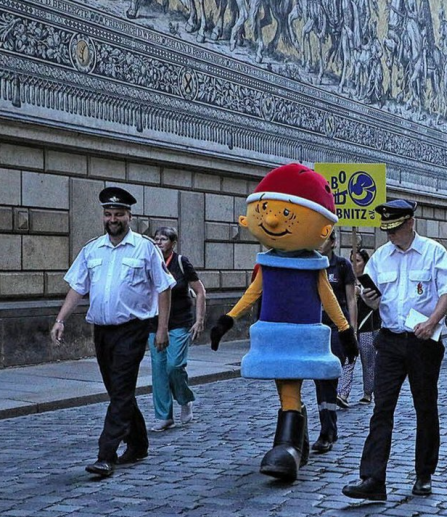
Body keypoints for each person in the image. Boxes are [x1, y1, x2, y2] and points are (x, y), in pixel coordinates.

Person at [209, 163, 358, 482]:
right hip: (274, 336)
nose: (273, 220)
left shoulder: (315, 266)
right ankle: (296, 442)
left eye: (286, 214)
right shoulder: (268, 264)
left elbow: (329, 298)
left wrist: (346, 330)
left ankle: (288, 444)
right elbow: (252, 293)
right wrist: (227, 319)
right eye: (265, 210)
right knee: (286, 386)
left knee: (292, 384)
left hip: (304, 336)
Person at [51, 187, 176, 477]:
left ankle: (105, 455)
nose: (113, 219)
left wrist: (162, 328)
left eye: (118, 214)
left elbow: (164, 287)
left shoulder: (145, 248)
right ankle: (139, 444)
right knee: (118, 391)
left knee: (121, 389)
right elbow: (78, 287)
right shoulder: (92, 249)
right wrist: (60, 319)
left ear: (129, 216)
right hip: (102, 331)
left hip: (132, 329)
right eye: (108, 214)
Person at [343, 199, 447, 500]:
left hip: (423, 342)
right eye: (387, 230)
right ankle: (372, 479)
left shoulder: (433, 252)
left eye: (395, 228)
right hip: (390, 340)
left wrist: (432, 323)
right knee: (382, 408)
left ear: (410, 223)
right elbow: (374, 298)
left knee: (425, 407)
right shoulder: (381, 257)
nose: (391, 234)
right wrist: (369, 299)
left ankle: (424, 475)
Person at [148, 227, 206, 432]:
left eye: (163, 239)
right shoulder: (149, 262)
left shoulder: (181, 262)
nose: (158, 243)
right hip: (154, 323)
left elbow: (200, 291)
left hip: (180, 322)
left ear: (173, 243)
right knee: (159, 370)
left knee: (174, 366)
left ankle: (184, 399)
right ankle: (164, 416)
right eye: (156, 239)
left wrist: (199, 320)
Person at [315, 230, 357, 455]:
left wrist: (352, 330)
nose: (319, 243)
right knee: (319, 380)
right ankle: (327, 427)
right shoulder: (312, 264)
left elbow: (351, 299)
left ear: (333, 242)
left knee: (328, 378)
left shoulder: (342, 265)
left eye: (324, 239)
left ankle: (327, 431)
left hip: (336, 329)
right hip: (314, 329)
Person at [339, 249, 378, 405]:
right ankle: (343, 394)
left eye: (358, 261)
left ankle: (368, 392)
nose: (354, 265)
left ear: (365, 263)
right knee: (348, 359)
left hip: (367, 326)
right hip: (350, 326)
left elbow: (376, 303)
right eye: (352, 261)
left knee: (368, 361)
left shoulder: (369, 279)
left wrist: (360, 292)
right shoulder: (347, 279)